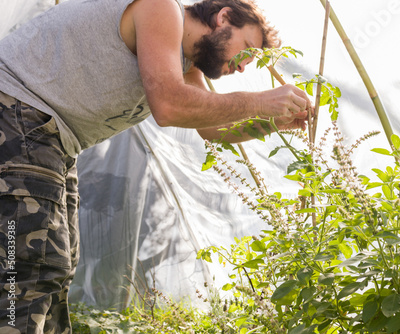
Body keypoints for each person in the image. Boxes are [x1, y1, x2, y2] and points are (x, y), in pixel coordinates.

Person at [0, 0, 311, 332]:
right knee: (32, 267)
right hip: (17, 111)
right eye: (247, 48)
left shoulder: (184, 62)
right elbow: (169, 104)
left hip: (52, 138)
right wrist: (260, 101)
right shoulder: (161, 9)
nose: (244, 65)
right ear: (223, 18)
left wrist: (275, 120)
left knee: (56, 270)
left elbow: (211, 128)